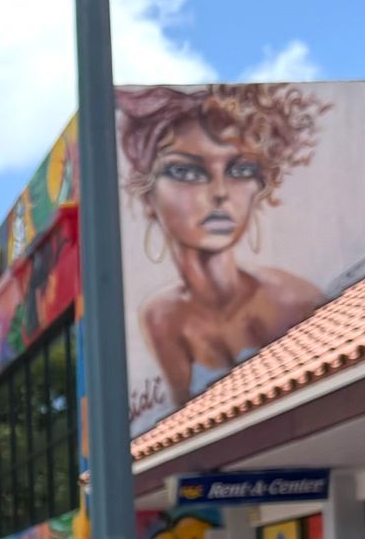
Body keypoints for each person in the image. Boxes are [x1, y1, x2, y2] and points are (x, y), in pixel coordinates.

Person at [118, 84, 332, 407]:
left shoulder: (294, 303)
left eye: (240, 170)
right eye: (185, 171)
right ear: (148, 197)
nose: (219, 192)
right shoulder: (160, 317)